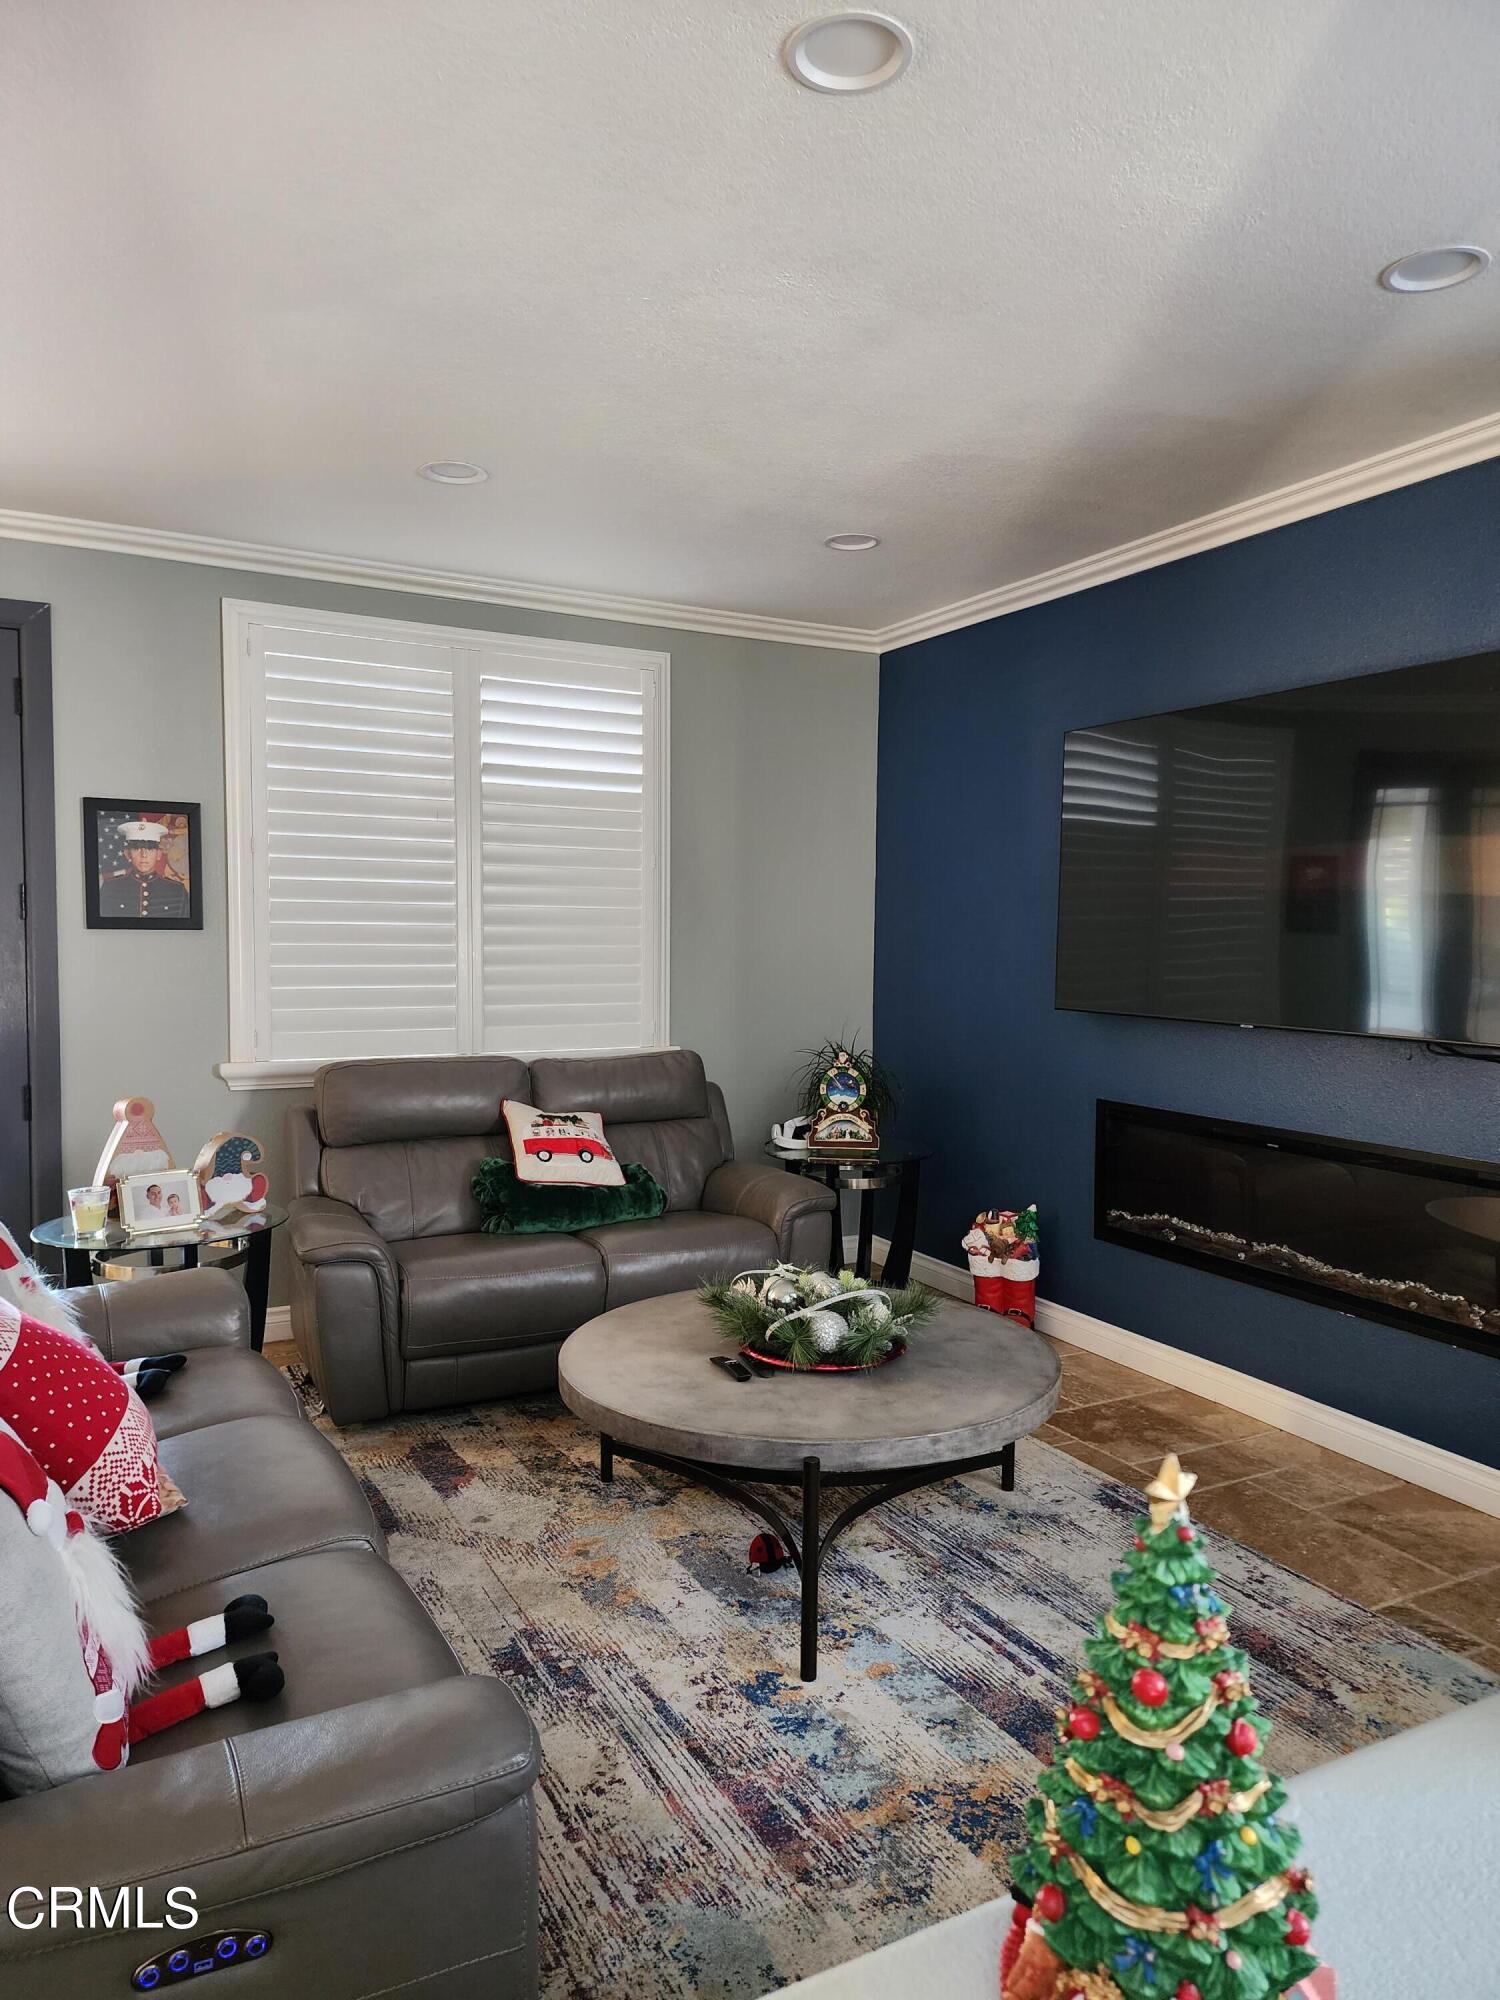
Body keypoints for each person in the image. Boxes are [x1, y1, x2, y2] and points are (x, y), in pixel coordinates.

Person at [98, 819, 190, 921]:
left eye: (150, 849)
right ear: (127, 854)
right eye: (137, 848)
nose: (144, 855)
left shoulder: (177, 890)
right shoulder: (111, 888)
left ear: (158, 854)